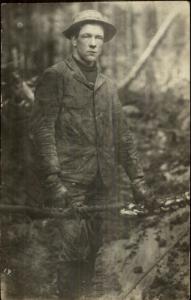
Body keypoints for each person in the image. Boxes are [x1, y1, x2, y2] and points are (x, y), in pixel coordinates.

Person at [30, 9, 152, 299]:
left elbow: (123, 135)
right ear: (74, 40)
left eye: (99, 37)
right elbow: (42, 131)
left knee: (92, 251)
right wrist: (53, 179)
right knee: (72, 251)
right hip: (69, 181)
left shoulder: (108, 86)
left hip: (102, 181)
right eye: (86, 36)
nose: (93, 43)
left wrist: (138, 180)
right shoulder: (55, 76)